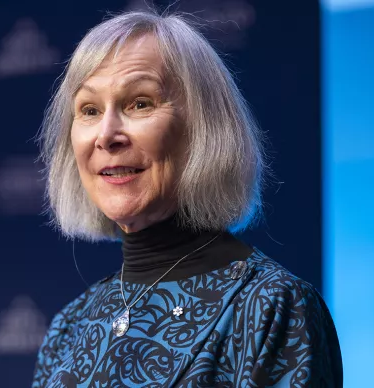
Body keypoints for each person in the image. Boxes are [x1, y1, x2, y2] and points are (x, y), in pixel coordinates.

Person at [32, 10, 342, 388]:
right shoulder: (69, 327)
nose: (106, 134)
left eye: (140, 103)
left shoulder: (272, 307)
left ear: (202, 129)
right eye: (90, 110)